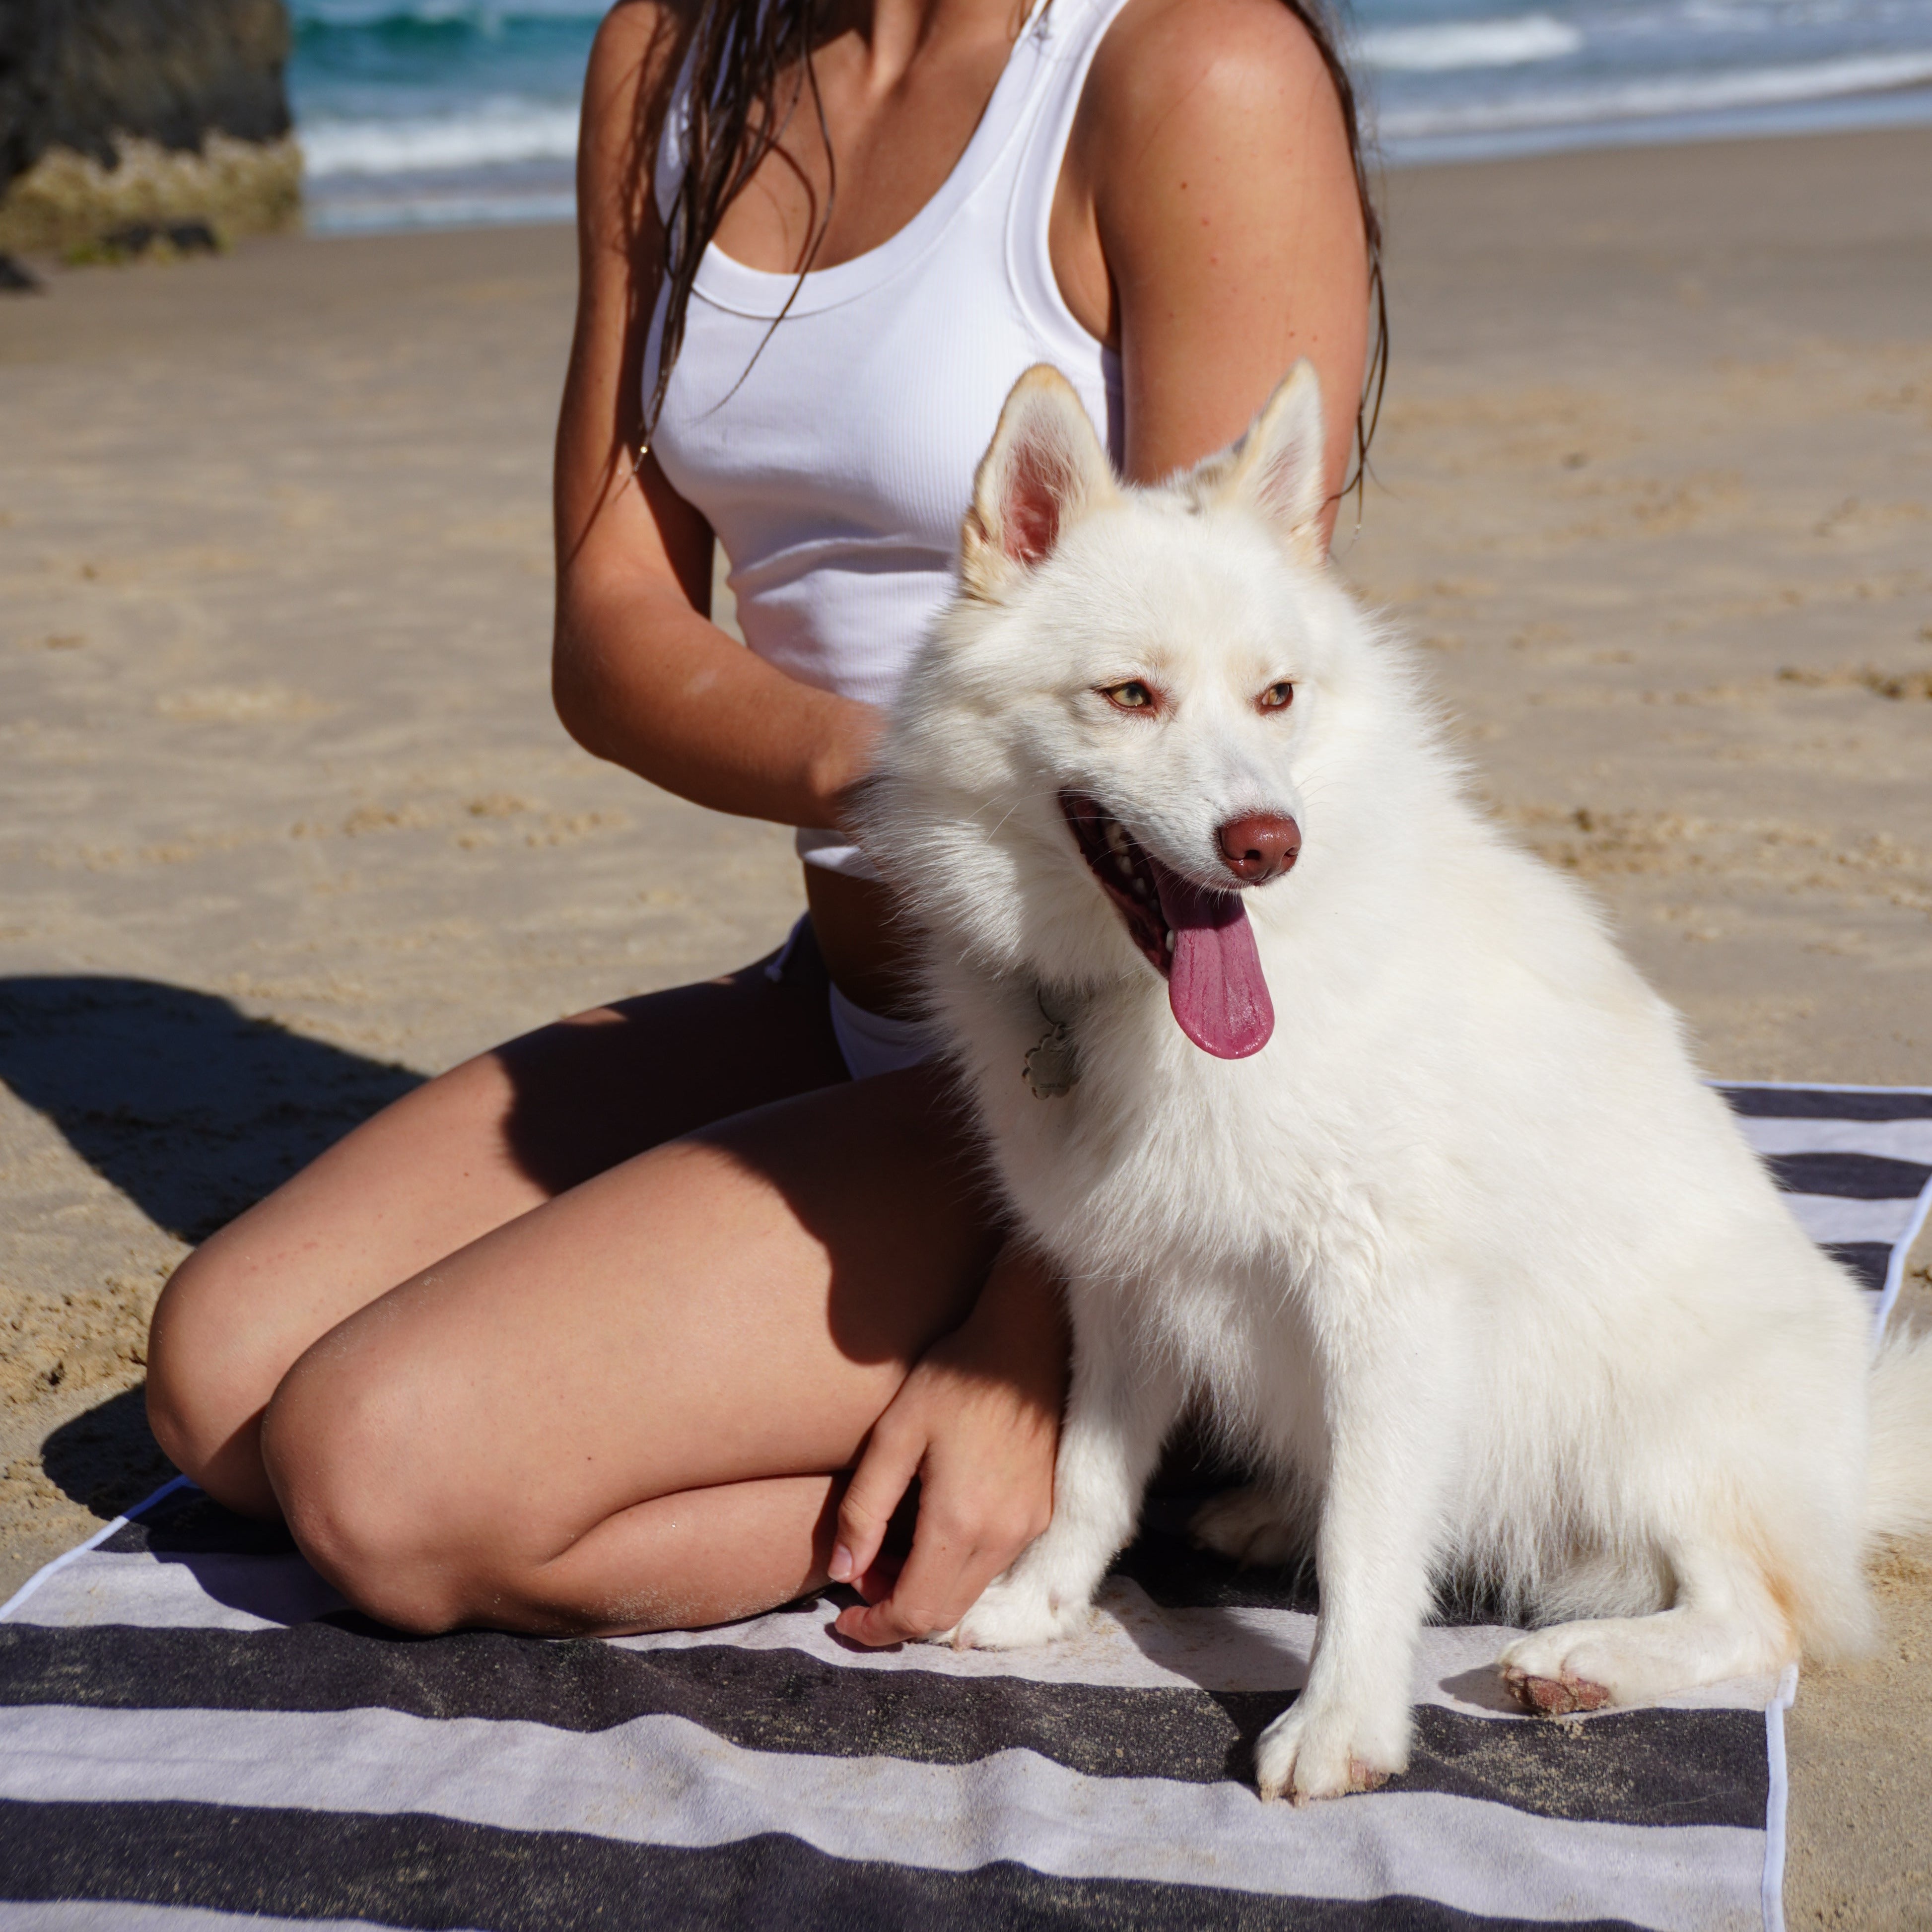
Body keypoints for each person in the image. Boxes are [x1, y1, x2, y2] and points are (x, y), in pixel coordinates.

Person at [144, 0, 1377, 1646]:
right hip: (851, 995)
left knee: (379, 1475)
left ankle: (1152, 1434)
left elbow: (1237, 740)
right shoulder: (672, 58)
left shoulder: (1188, 70)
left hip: (1108, 1092)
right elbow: (611, 622)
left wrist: (1040, 1338)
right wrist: (904, 776)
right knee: (220, 1380)